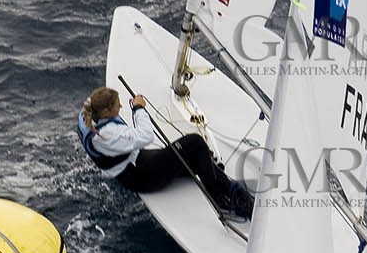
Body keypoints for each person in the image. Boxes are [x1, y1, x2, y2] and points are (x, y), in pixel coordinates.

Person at [77, 87, 254, 219]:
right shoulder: (107, 135)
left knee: (195, 159)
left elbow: (98, 105)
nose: (121, 106)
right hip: (141, 176)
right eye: (117, 105)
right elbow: (146, 136)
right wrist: (138, 109)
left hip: (136, 162)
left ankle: (231, 189)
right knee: (195, 141)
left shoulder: (89, 114)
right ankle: (219, 198)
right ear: (106, 111)